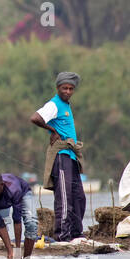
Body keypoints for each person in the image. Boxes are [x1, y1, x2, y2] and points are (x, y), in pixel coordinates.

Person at [31, 72, 85, 241]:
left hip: (71, 155)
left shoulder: (66, 105)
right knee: (64, 196)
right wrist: (53, 130)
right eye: (64, 88)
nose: (67, 91)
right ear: (58, 88)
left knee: (79, 196)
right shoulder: (54, 104)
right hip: (61, 156)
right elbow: (35, 118)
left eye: (71, 88)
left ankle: (76, 232)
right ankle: (62, 235)